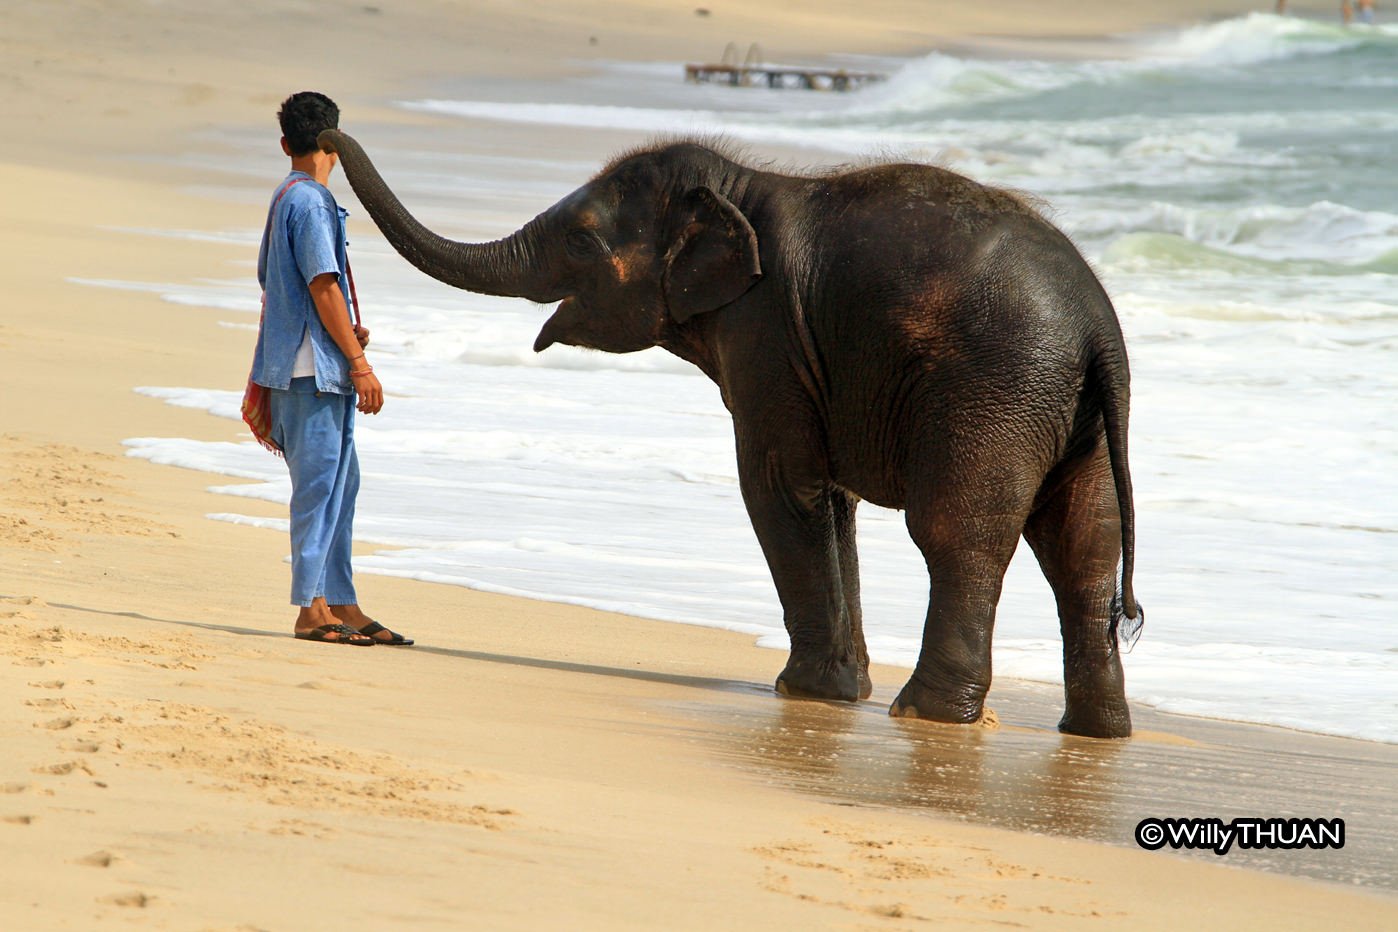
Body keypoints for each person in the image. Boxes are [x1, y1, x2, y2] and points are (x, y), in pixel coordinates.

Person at [250, 91, 412, 646]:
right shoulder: (313, 203)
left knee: (344, 483)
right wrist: (359, 362)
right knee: (320, 488)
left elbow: (283, 284)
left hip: (312, 362)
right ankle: (310, 609)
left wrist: (343, 338)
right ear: (334, 146)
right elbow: (323, 284)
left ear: (284, 143)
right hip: (309, 371)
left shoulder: (286, 196)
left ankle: (340, 599)